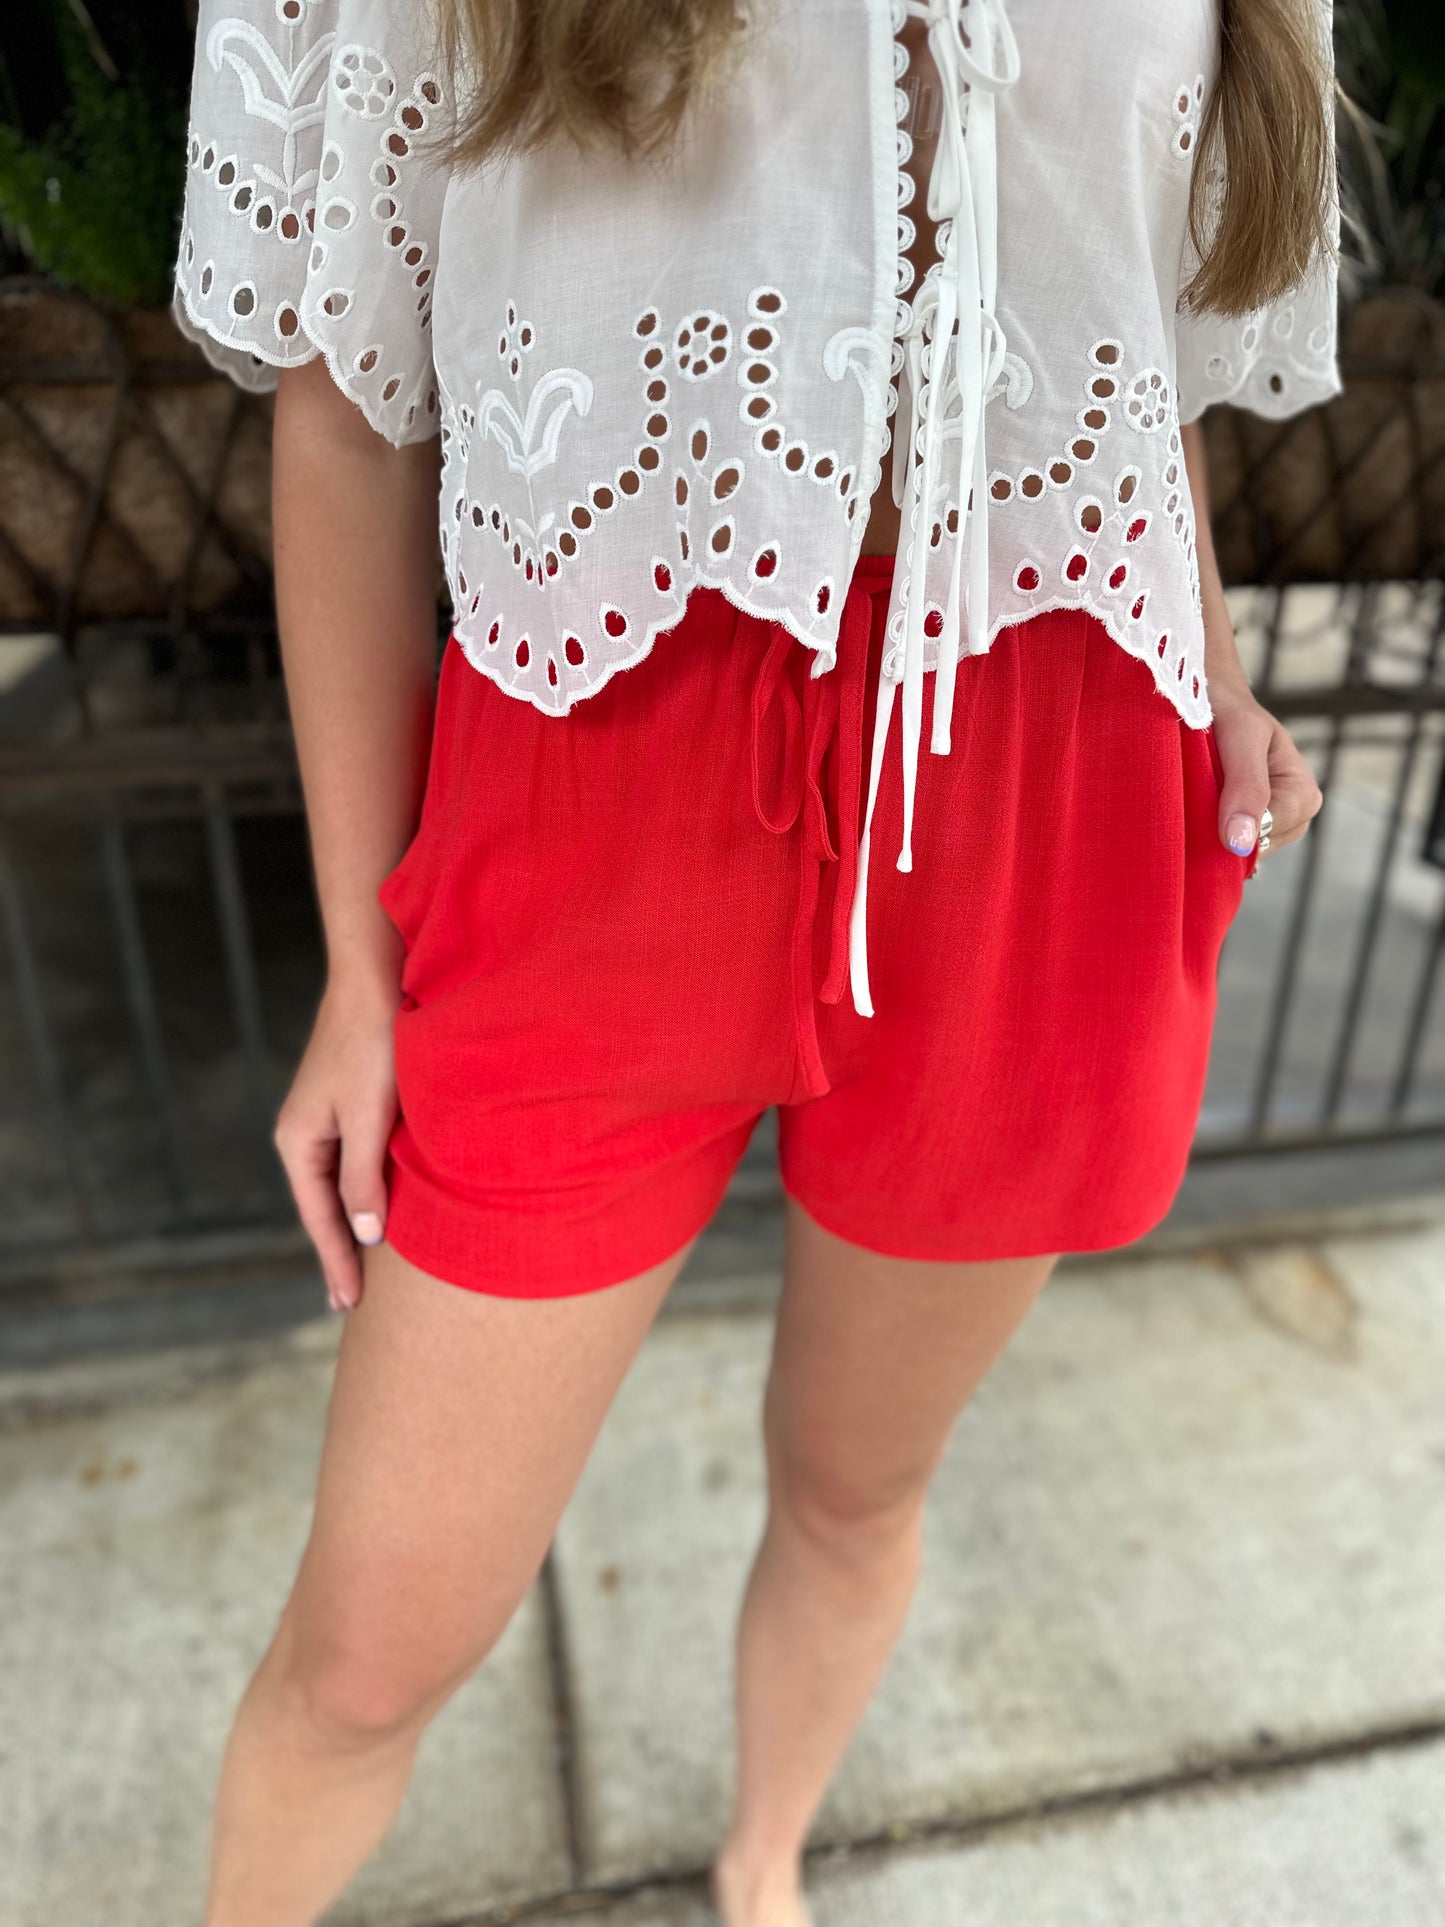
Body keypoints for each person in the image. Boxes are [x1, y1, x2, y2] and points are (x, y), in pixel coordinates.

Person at [173, 0, 1337, 1920]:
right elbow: (351, 398)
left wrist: (1206, 678)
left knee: (857, 1489)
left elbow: (1138, 361)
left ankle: (764, 1863)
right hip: (608, 752)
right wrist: (360, 972)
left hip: (1047, 786)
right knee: (369, 1653)